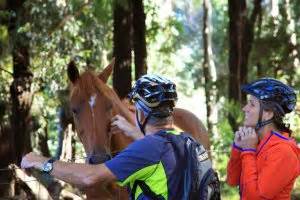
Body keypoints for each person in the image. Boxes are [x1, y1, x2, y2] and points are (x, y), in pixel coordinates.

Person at [21, 74, 198, 199]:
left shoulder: (144, 151)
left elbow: (89, 177)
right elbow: (160, 149)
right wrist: (134, 132)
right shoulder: (188, 142)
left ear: (141, 114)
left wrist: (40, 161)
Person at [226, 77, 300, 200]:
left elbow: (254, 197)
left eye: (252, 104)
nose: (245, 108)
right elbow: (232, 180)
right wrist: (238, 148)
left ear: (268, 113)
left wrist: (248, 151)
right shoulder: (257, 142)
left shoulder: (283, 152)